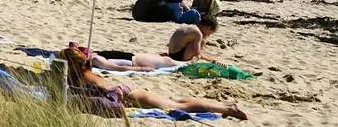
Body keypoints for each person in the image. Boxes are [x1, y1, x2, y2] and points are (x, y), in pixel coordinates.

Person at [59, 46, 247, 120]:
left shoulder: (82, 77)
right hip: (129, 90)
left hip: (128, 94)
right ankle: (224, 105)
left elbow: (107, 93)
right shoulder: (85, 72)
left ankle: (227, 109)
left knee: (176, 105)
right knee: (176, 100)